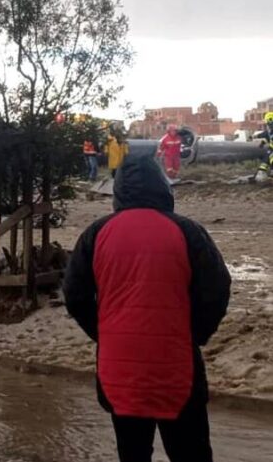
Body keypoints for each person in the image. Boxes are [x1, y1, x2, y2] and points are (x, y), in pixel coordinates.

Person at [64, 155, 230, 462]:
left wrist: (104, 333)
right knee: (191, 453)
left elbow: (74, 296)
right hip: (177, 365)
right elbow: (216, 291)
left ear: (118, 190)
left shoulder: (96, 234)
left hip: (119, 370)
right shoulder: (188, 231)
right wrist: (195, 334)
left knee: (133, 453)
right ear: (162, 186)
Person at [255, 111, 273, 177]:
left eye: (267, 122)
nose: (267, 124)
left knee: (271, 158)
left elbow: (265, 135)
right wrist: (262, 143)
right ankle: (261, 172)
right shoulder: (270, 130)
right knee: (266, 159)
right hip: (271, 148)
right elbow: (268, 137)